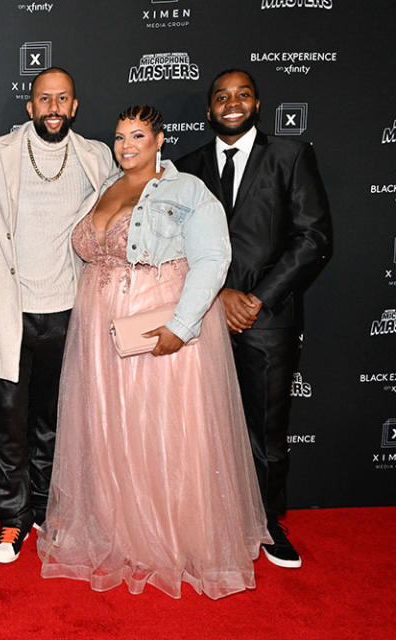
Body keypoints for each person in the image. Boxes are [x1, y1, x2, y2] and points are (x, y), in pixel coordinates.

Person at [37, 105, 270, 599]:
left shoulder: (186, 190)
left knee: (159, 431)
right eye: (120, 136)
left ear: (160, 139)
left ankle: (166, 536)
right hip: (99, 331)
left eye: (138, 135)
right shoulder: (105, 187)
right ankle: (119, 531)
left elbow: (212, 258)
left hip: (155, 326)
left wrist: (182, 326)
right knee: (109, 430)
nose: (125, 145)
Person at [177, 69, 332, 568]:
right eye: (221, 96)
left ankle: (267, 526)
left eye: (242, 94)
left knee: (265, 429)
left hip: (267, 319)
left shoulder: (290, 156)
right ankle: (208, 520)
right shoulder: (185, 168)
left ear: (257, 103)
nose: (232, 102)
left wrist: (257, 299)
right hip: (201, 317)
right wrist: (219, 294)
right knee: (201, 428)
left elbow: (312, 238)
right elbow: (174, 246)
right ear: (208, 110)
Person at [0, 67, 117, 563]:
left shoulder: (97, 157)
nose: (53, 107)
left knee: (55, 424)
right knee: (10, 424)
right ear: (29, 106)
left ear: (74, 107)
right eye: (43, 99)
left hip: (68, 311)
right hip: (12, 312)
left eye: (62, 99)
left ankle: (47, 512)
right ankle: (11, 521)